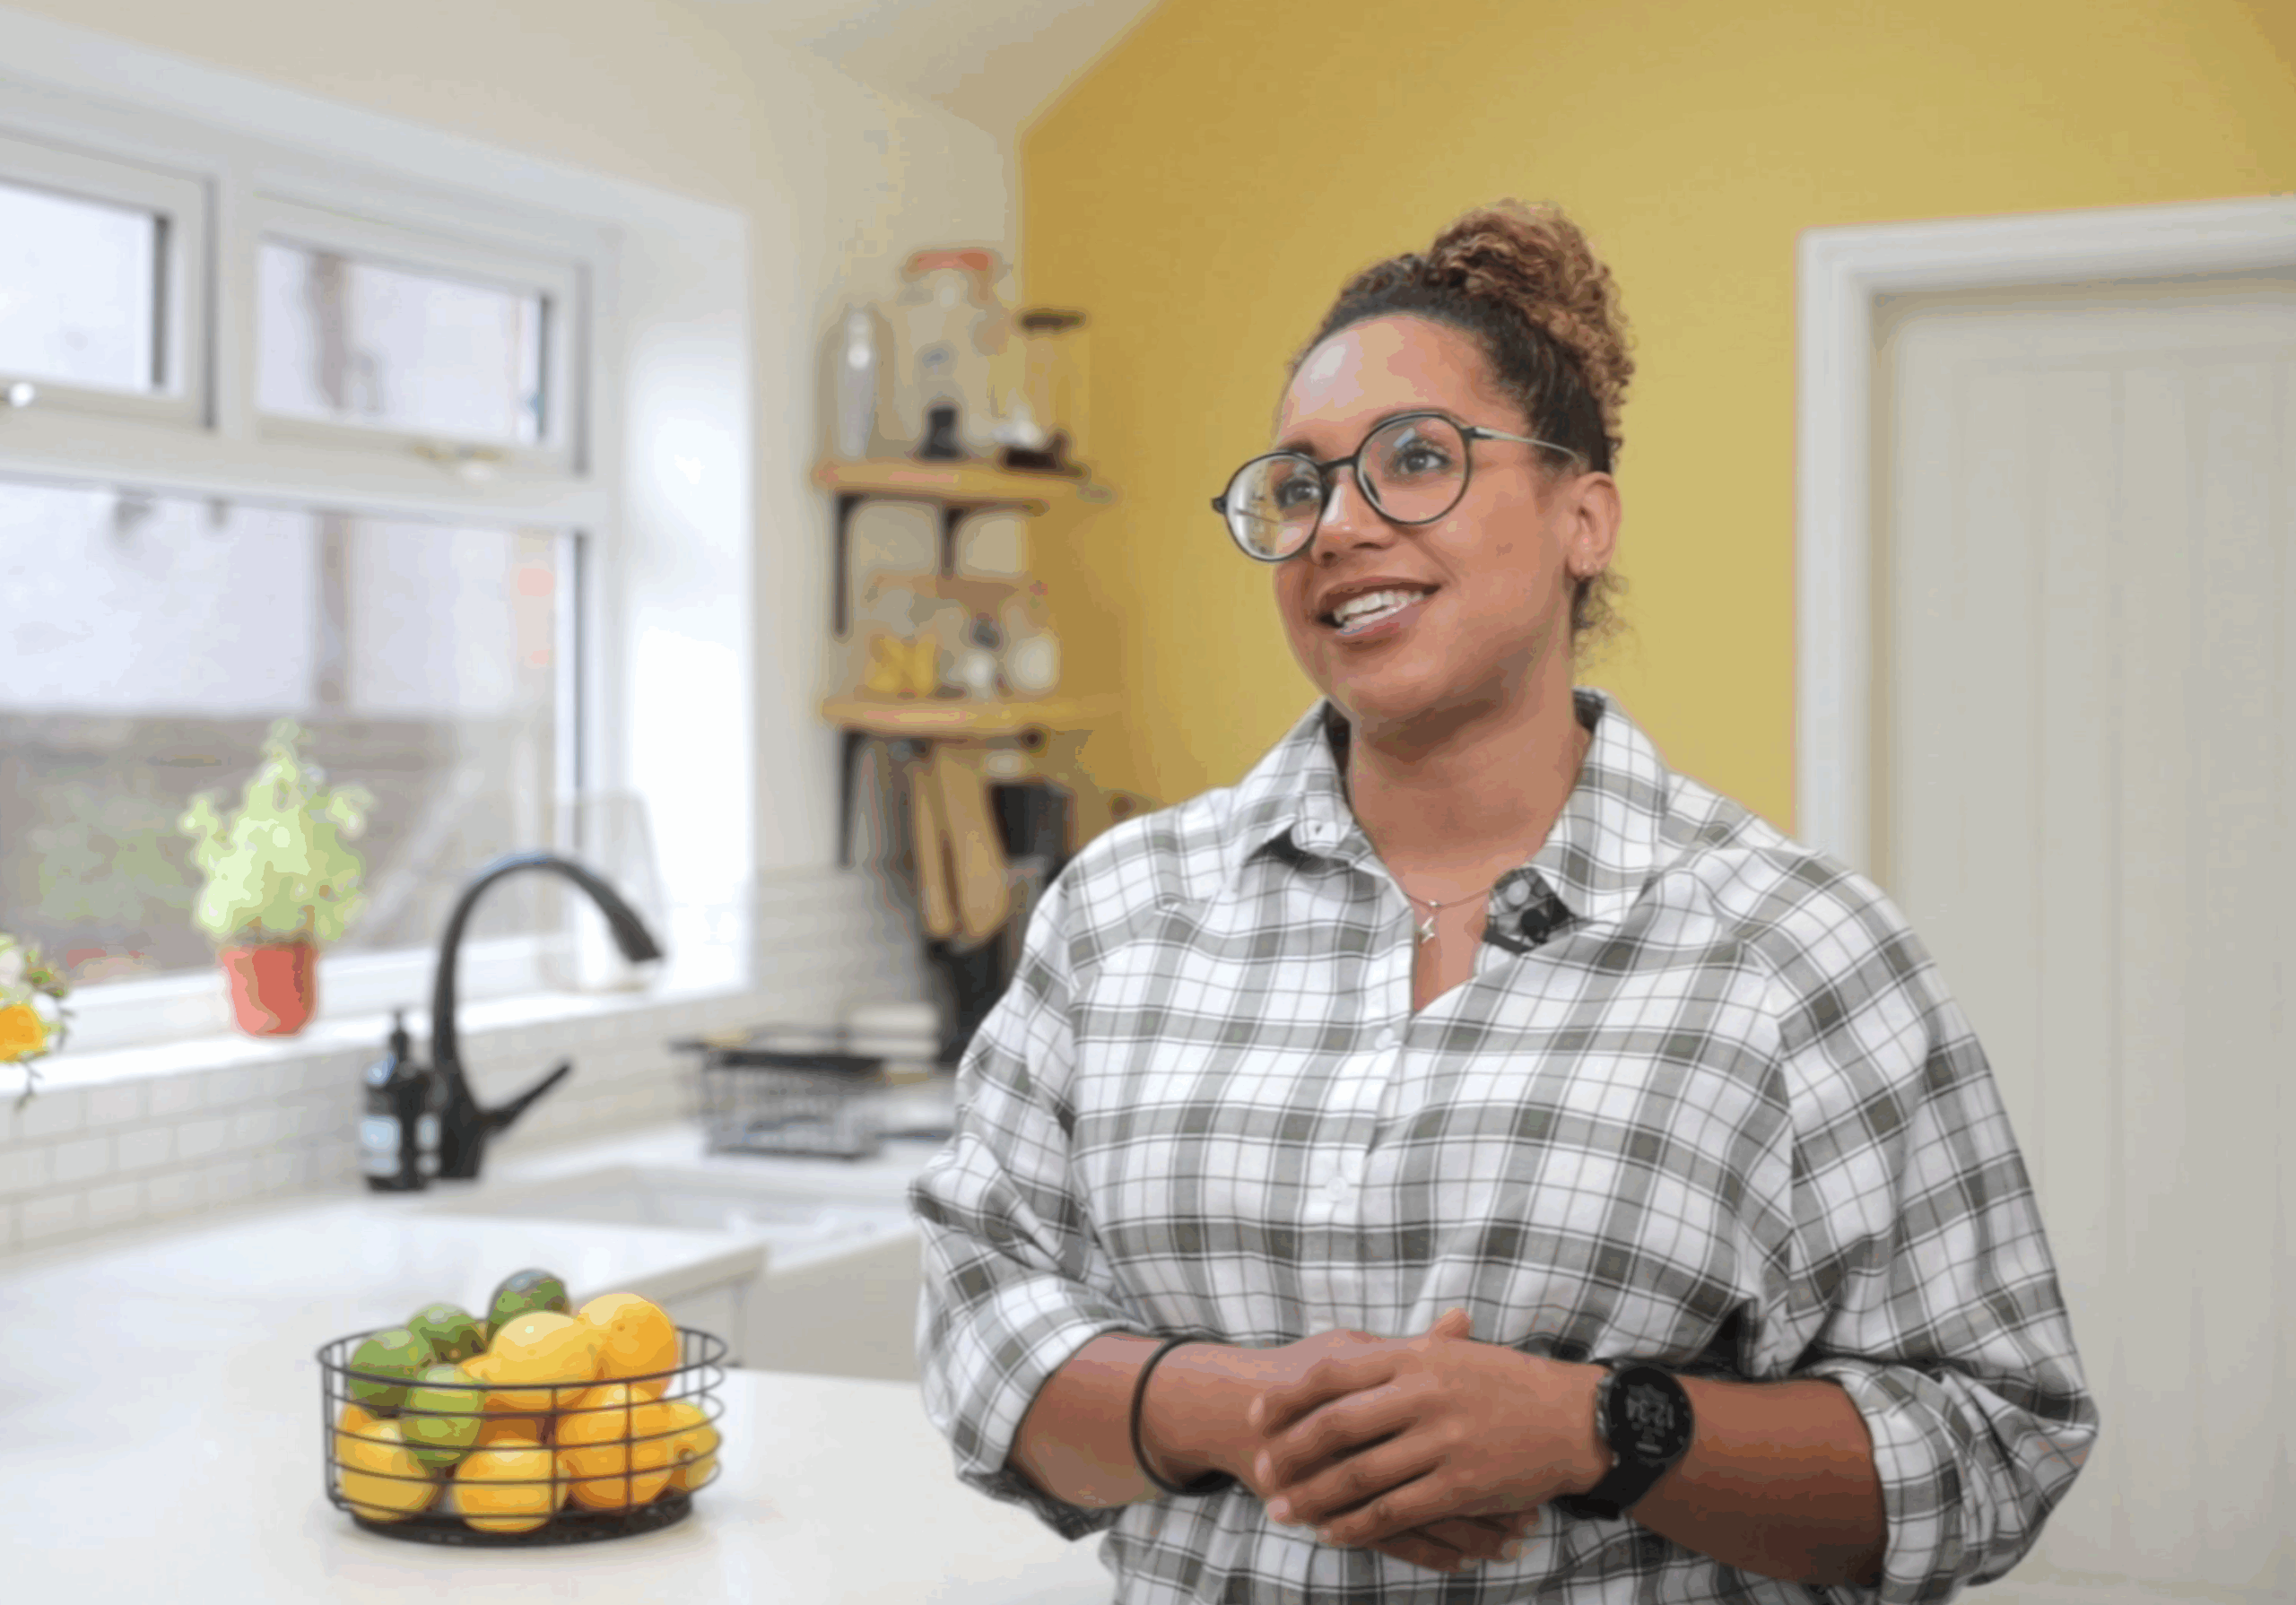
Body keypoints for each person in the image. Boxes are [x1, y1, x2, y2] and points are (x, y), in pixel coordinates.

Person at [909, 199, 2096, 1603]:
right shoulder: (1118, 912)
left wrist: (1597, 1429)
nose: (1338, 524)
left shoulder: (1797, 951)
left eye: (1416, 460)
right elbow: (977, 1325)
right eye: (1297, 487)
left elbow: (1993, 1441)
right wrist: (1250, 1410)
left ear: (1582, 515)